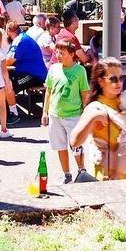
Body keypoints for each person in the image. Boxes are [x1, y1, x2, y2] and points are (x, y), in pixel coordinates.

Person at [42, 40, 89, 184]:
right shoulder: (54, 69)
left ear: (72, 54)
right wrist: (45, 112)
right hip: (55, 114)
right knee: (60, 146)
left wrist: (85, 113)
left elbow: (84, 93)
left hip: (73, 115)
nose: (58, 55)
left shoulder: (79, 71)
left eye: (62, 53)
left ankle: (81, 170)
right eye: (57, 52)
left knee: (76, 146)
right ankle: (66, 174)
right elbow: (49, 91)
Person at [70, 57, 125, 179]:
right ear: (100, 81)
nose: (119, 83)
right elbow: (74, 141)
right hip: (104, 175)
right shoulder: (95, 106)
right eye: (113, 79)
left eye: (122, 78)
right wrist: (93, 118)